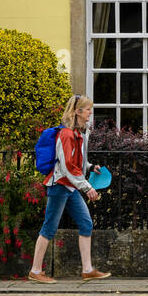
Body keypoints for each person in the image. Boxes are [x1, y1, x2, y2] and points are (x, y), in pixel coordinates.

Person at [28, 95, 111, 283]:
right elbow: (66, 166)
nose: (90, 112)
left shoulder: (78, 133)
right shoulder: (66, 134)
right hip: (60, 185)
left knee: (86, 223)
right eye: (87, 109)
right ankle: (35, 270)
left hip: (71, 186)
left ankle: (87, 269)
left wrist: (90, 168)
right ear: (77, 112)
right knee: (49, 228)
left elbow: (77, 162)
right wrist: (87, 187)